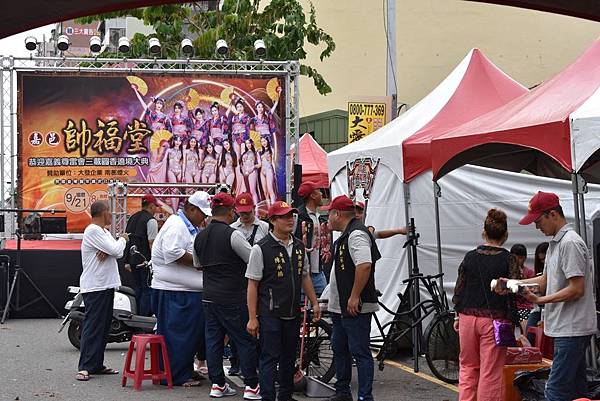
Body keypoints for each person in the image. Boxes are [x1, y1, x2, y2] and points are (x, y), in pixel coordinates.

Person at [495, 191, 597, 401]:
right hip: (567, 329)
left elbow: (577, 289)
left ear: (552, 214)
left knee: (556, 391)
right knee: (576, 391)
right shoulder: (557, 244)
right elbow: (544, 282)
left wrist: (540, 300)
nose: (536, 226)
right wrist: (511, 284)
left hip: (572, 328)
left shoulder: (569, 243)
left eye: (538, 220)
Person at [246, 200, 321, 401]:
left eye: (291, 216)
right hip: (270, 313)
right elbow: (252, 285)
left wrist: (314, 302)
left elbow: (304, 275)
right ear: (272, 220)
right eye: (284, 217)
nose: (290, 220)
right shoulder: (261, 248)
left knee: (289, 358)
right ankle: (268, 397)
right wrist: (252, 318)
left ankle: (285, 396)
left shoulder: (298, 245)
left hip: (292, 311)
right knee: (269, 358)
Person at [194, 193, 260, 399]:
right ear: (231, 212)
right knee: (244, 340)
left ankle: (218, 384)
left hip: (209, 296)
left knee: (213, 341)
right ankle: (251, 386)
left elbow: (197, 265)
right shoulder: (233, 234)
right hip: (233, 296)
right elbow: (253, 258)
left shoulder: (200, 236)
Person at [452, 209, 520, 401]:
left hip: (466, 318)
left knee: (467, 368)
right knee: (490, 373)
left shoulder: (470, 256)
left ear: (484, 232)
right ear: (505, 235)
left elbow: (459, 288)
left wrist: (457, 315)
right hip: (494, 321)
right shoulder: (509, 259)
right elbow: (517, 287)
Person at [151, 191, 211, 387]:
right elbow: (173, 252)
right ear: (191, 209)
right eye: (202, 213)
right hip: (175, 291)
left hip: (184, 291)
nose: (204, 217)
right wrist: (200, 263)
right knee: (179, 334)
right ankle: (176, 375)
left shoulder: (186, 226)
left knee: (187, 334)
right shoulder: (177, 225)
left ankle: (181, 369)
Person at [323, 195, 380, 401]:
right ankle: (343, 391)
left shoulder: (356, 234)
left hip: (355, 306)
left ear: (337, 214)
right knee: (340, 348)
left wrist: (355, 296)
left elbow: (364, 264)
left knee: (360, 351)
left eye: (329, 213)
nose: (327, 217)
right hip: (340, 307)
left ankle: (365, 396)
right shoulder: (346, 234)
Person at [76, 201, 128, 381]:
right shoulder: (93, 230)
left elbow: (114, 252)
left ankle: (96, 364)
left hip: (105, 285)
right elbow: (116, 249)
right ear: (103, 213)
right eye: (109, 212)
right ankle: (84, 367)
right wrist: (122, 239)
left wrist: (110, 250)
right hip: (95, 286)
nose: (111, 216)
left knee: (103, 327)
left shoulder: (103, 232)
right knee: (93, 326)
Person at [123, 193, 159, 317]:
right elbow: (152, 243)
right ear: (151, 206)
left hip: (132, 260)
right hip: (145, 261)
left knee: (138, 288)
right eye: (156, 206)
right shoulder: (151, 221)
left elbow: (127, 239)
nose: (156, 209)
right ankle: (144, 319)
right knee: (147, 290)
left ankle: (135, 314)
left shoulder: (132, 217)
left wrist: (127, 261)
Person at [294, 181, 327, 296]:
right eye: (319, 192)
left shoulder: (319, 217)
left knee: (323, 306)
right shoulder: (297, 216)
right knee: (303, 308)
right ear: (312, 196)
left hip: (319, 272)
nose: (322, 194)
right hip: (302, 273)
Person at [510, 243, 535, 334]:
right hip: (510, 307)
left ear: (524, 258)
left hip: (524, 307)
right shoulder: (507, 272)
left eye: (520, 258)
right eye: (514, 258)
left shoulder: (529, 273)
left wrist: (522, 278)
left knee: (526, 332)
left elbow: (531, 291)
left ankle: (526, 342)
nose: (517, 261)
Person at [526, 242, 549, 334]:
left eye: (544, 259)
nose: (543, 262)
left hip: (550, 307)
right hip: (538, 308)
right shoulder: (538, 273)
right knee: (530, 332)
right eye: (540, 260)